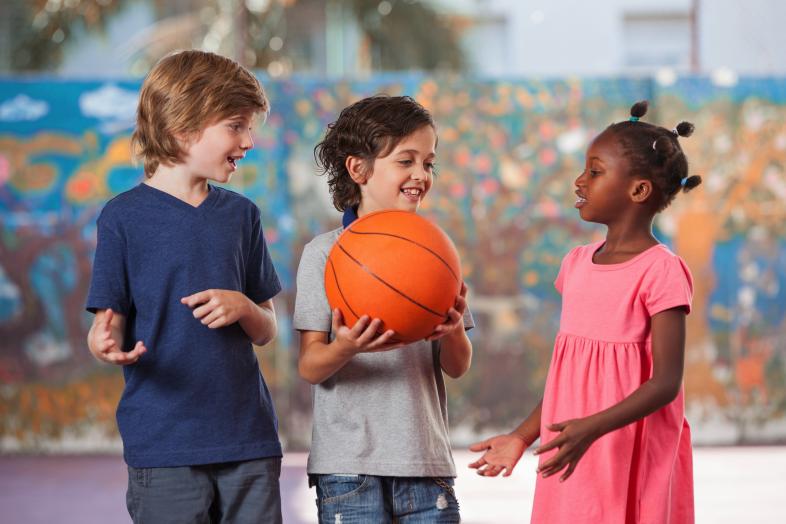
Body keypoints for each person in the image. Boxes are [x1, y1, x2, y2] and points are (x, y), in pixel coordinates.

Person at [469, 100, 701, 523]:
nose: (579, 181)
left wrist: (593, 427)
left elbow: (667, 382)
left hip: (627, 448)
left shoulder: (661, 270)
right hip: (575, 446)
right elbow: (570, 379)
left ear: (638, 191)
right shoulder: (575, 264)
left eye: (594, 172)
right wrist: (522, 437)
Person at [85, 50, 283, 523]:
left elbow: (267, 328)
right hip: (163, 444)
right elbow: (104, 329)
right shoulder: (122, 218)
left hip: (248, 439)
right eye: (236, 126)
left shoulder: (241, 216)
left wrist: (244, 307)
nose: (249, 142)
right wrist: (102, 343)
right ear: (183, 128)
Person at [293, 94, 473, 523]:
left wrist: (454, 331)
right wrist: (347, 347)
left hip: (425, 463)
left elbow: (459, 366)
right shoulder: (323, 254)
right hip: (347, 466)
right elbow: (311, 366)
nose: (420, 175)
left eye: (428, 163)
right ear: (359, 169)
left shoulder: (437, 253)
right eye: (406, 161)